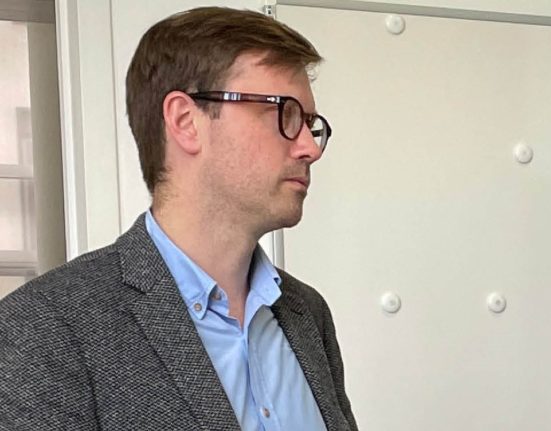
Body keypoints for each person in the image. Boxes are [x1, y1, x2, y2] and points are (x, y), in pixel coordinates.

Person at [0, 7, 356, 430]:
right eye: (285, 114)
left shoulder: (308, 314)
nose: (309, 148)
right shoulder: (44, 328)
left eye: (310, 125)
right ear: (186, 122)